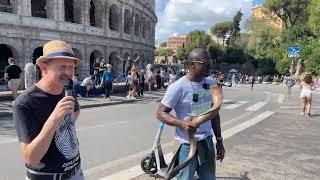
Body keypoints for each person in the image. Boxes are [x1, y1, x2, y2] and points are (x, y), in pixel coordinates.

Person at [13, 40, 84, 180]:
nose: (68, 73)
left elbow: (75, 111)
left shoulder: (67, 89)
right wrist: (54, 119)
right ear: (43, 68)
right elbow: (31, 158)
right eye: (62, 67)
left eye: (71, 67)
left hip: (77, 173)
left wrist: (63, 128)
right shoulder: (25, 103)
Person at [156, 48, 225, 180]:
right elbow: (160, 113)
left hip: (207, 142)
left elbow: (214, 114)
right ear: (191, 65)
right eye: (205, 63)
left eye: (210, 62)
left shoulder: (210, 83)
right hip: (186, 145)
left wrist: (219, 140)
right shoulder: (177, 87)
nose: (209, 66)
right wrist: (182, 124)